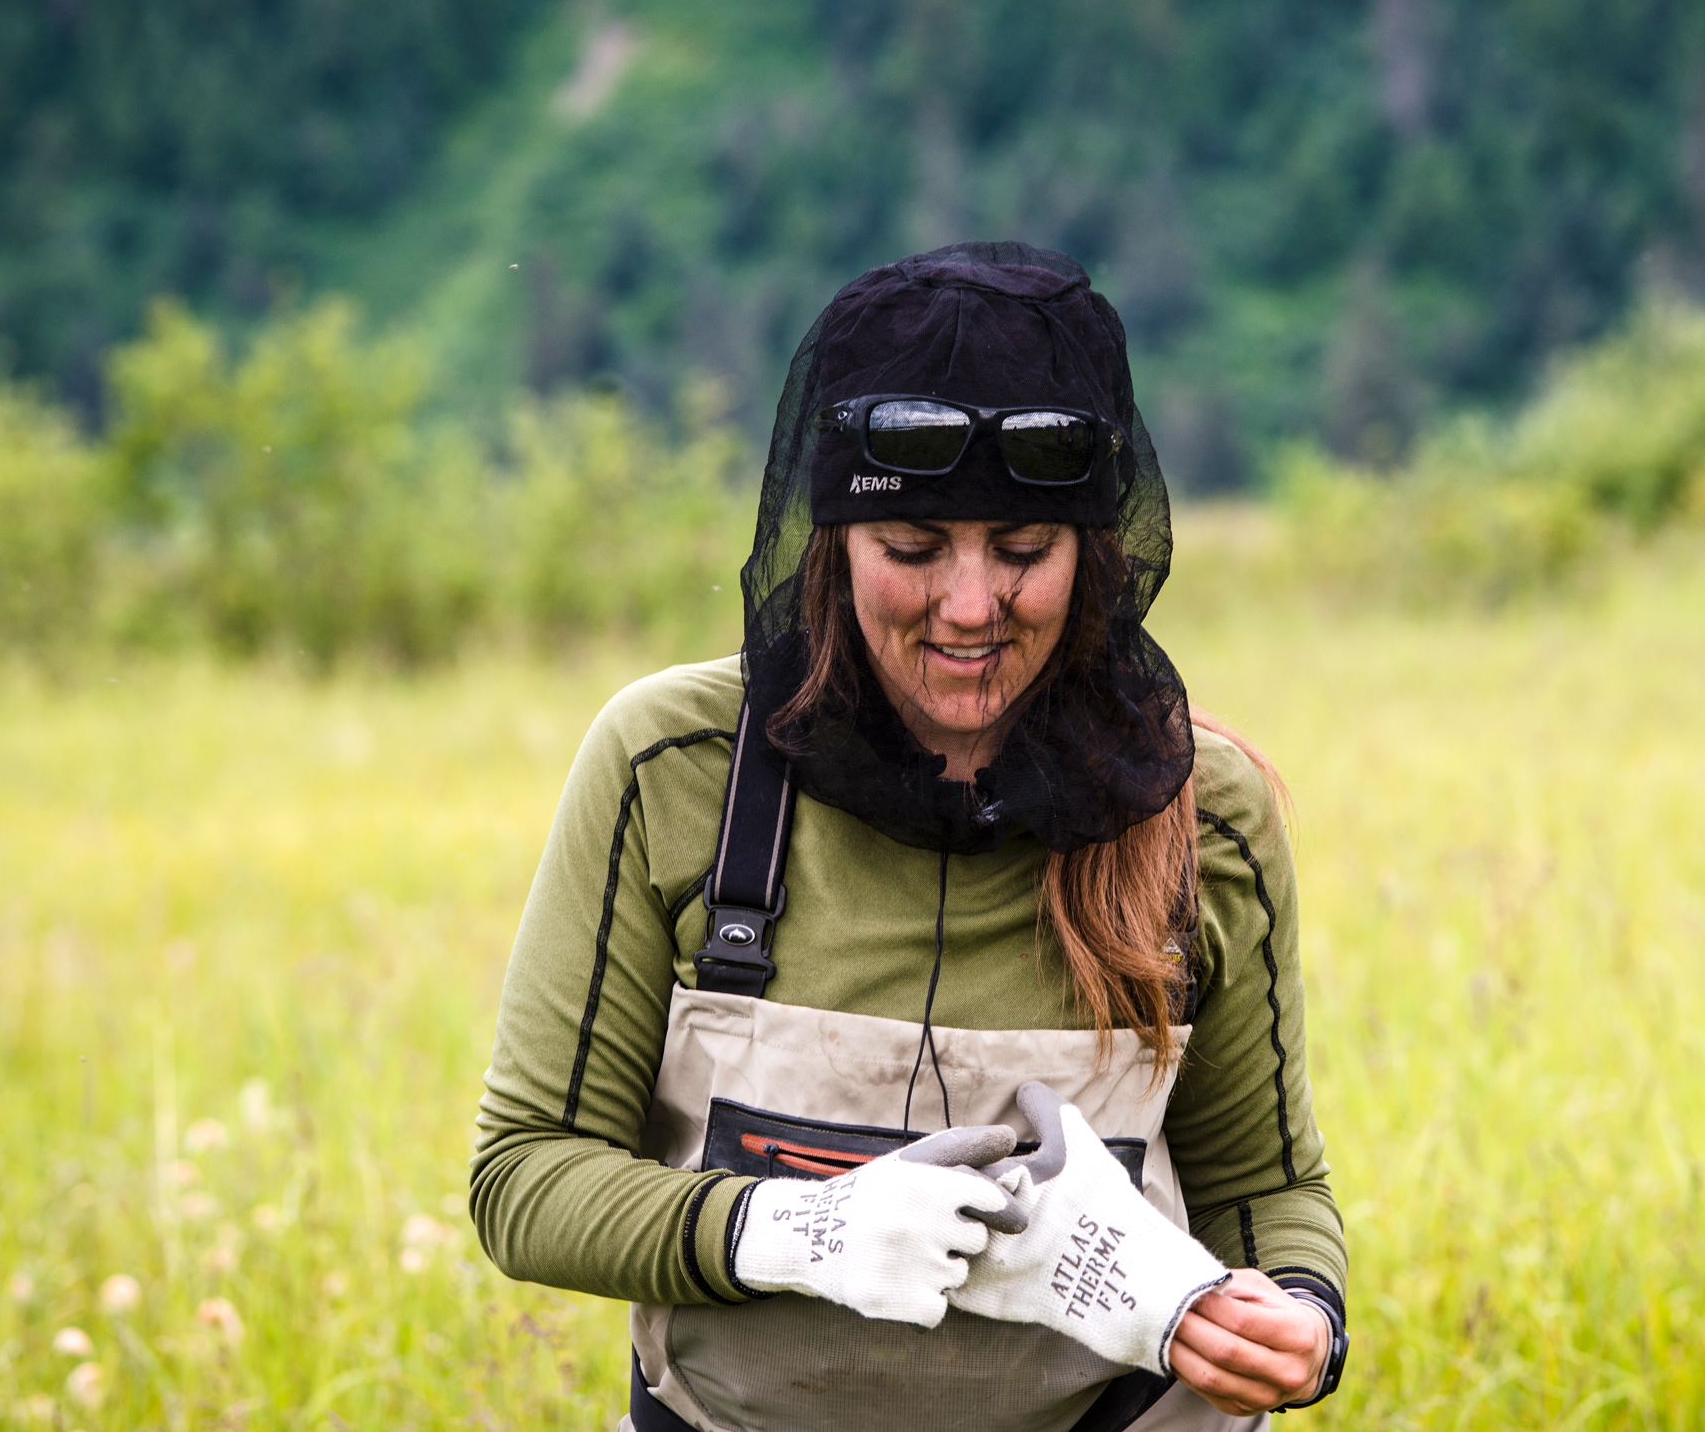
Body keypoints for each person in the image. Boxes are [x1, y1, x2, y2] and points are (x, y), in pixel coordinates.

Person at [472, 243, 1349, 1432]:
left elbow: (1261, 1185)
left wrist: (1299, 1311)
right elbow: (524, 1175)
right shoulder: (673, 769)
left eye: (1025, 551)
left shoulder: (1206, 809)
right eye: (915, 548)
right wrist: (794, 1230)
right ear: (834, 541)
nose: (973, 604)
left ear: (1094, 553)